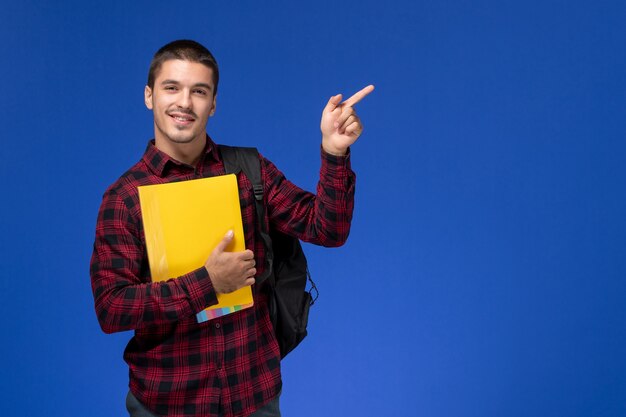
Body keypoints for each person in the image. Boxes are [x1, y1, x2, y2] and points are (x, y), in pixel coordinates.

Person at [90, 39, 373, 417]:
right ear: (149, 96)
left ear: (213, 103)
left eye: (199, 91)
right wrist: (208, 283)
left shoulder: (249, 172)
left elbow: (328, 229)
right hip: (166, 405)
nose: (184, 103)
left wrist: (334, 152)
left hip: (254, 397)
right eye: (171, 87)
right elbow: (111, 307)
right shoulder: (125, 197)